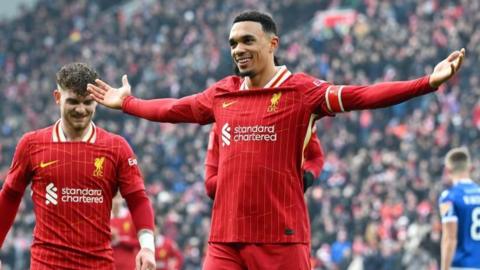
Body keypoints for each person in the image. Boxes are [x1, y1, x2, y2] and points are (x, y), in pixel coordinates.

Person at [88, 10, 465, 270]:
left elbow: (361, 95)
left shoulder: (301, 92)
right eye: (233, 43)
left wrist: (426, 83)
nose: (238, 49)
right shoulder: (223, 93)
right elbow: (173, 109)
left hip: (281, 239)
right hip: (226, 239)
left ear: (272, 44)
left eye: (247, 40)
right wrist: (128, 103)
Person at [0, 63, 156, 270]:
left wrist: (147, 247)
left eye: (87, 102)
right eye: (73, 102)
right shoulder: (31, 144)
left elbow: (137, 198)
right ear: (57, 97)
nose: (81, 109)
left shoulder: (116, 147)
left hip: (97, 265)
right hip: (47, 265)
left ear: (97, 101)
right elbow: (10, 196)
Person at [205, 123, 324, 199]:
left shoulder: (295, 114)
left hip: (281, 220)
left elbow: (315, 157)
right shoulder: (222, 123)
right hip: (237, 222)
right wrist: (242, 178)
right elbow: (210, 186)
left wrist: (306, 179)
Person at [439, 147, 480, 270]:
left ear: (447, 170)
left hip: (461, 265)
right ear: (469, 168)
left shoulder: (450, 197)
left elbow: (449, 238)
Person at [111, 192, 141, 270]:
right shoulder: (102, 216)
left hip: (127, 265)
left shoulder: (130, 216)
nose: (116, 201)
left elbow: (138, 242)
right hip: (107, 264)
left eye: (118, 197)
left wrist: (120, 240)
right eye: (113, 197)